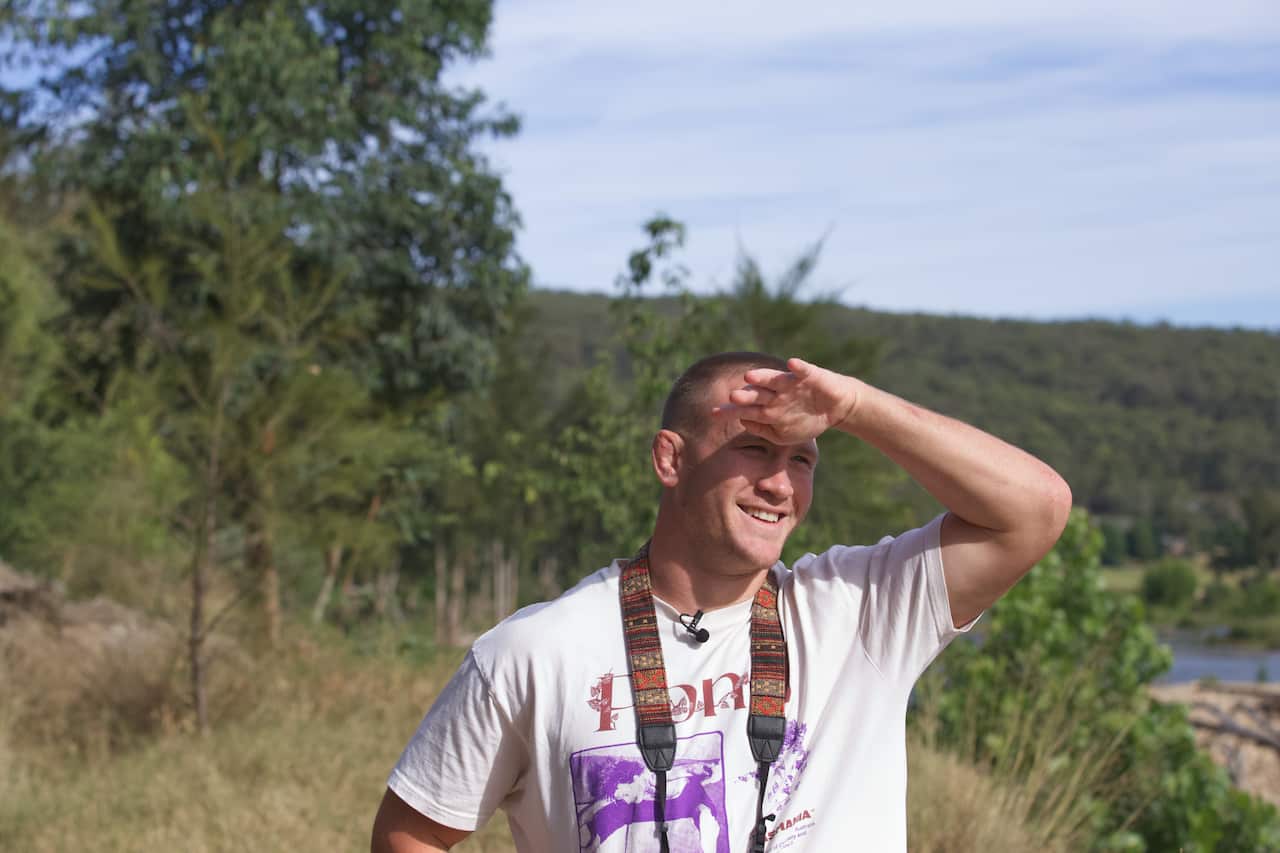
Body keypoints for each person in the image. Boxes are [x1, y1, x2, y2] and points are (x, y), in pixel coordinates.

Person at [371, 352, 1072, 852]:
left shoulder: (859, 612)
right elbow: (413, 830)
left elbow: (1034, 510)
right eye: (755, 448)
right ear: (671, 459)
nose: (780, 483)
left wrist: (855, 407)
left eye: (801, 459)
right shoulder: (533, 652)